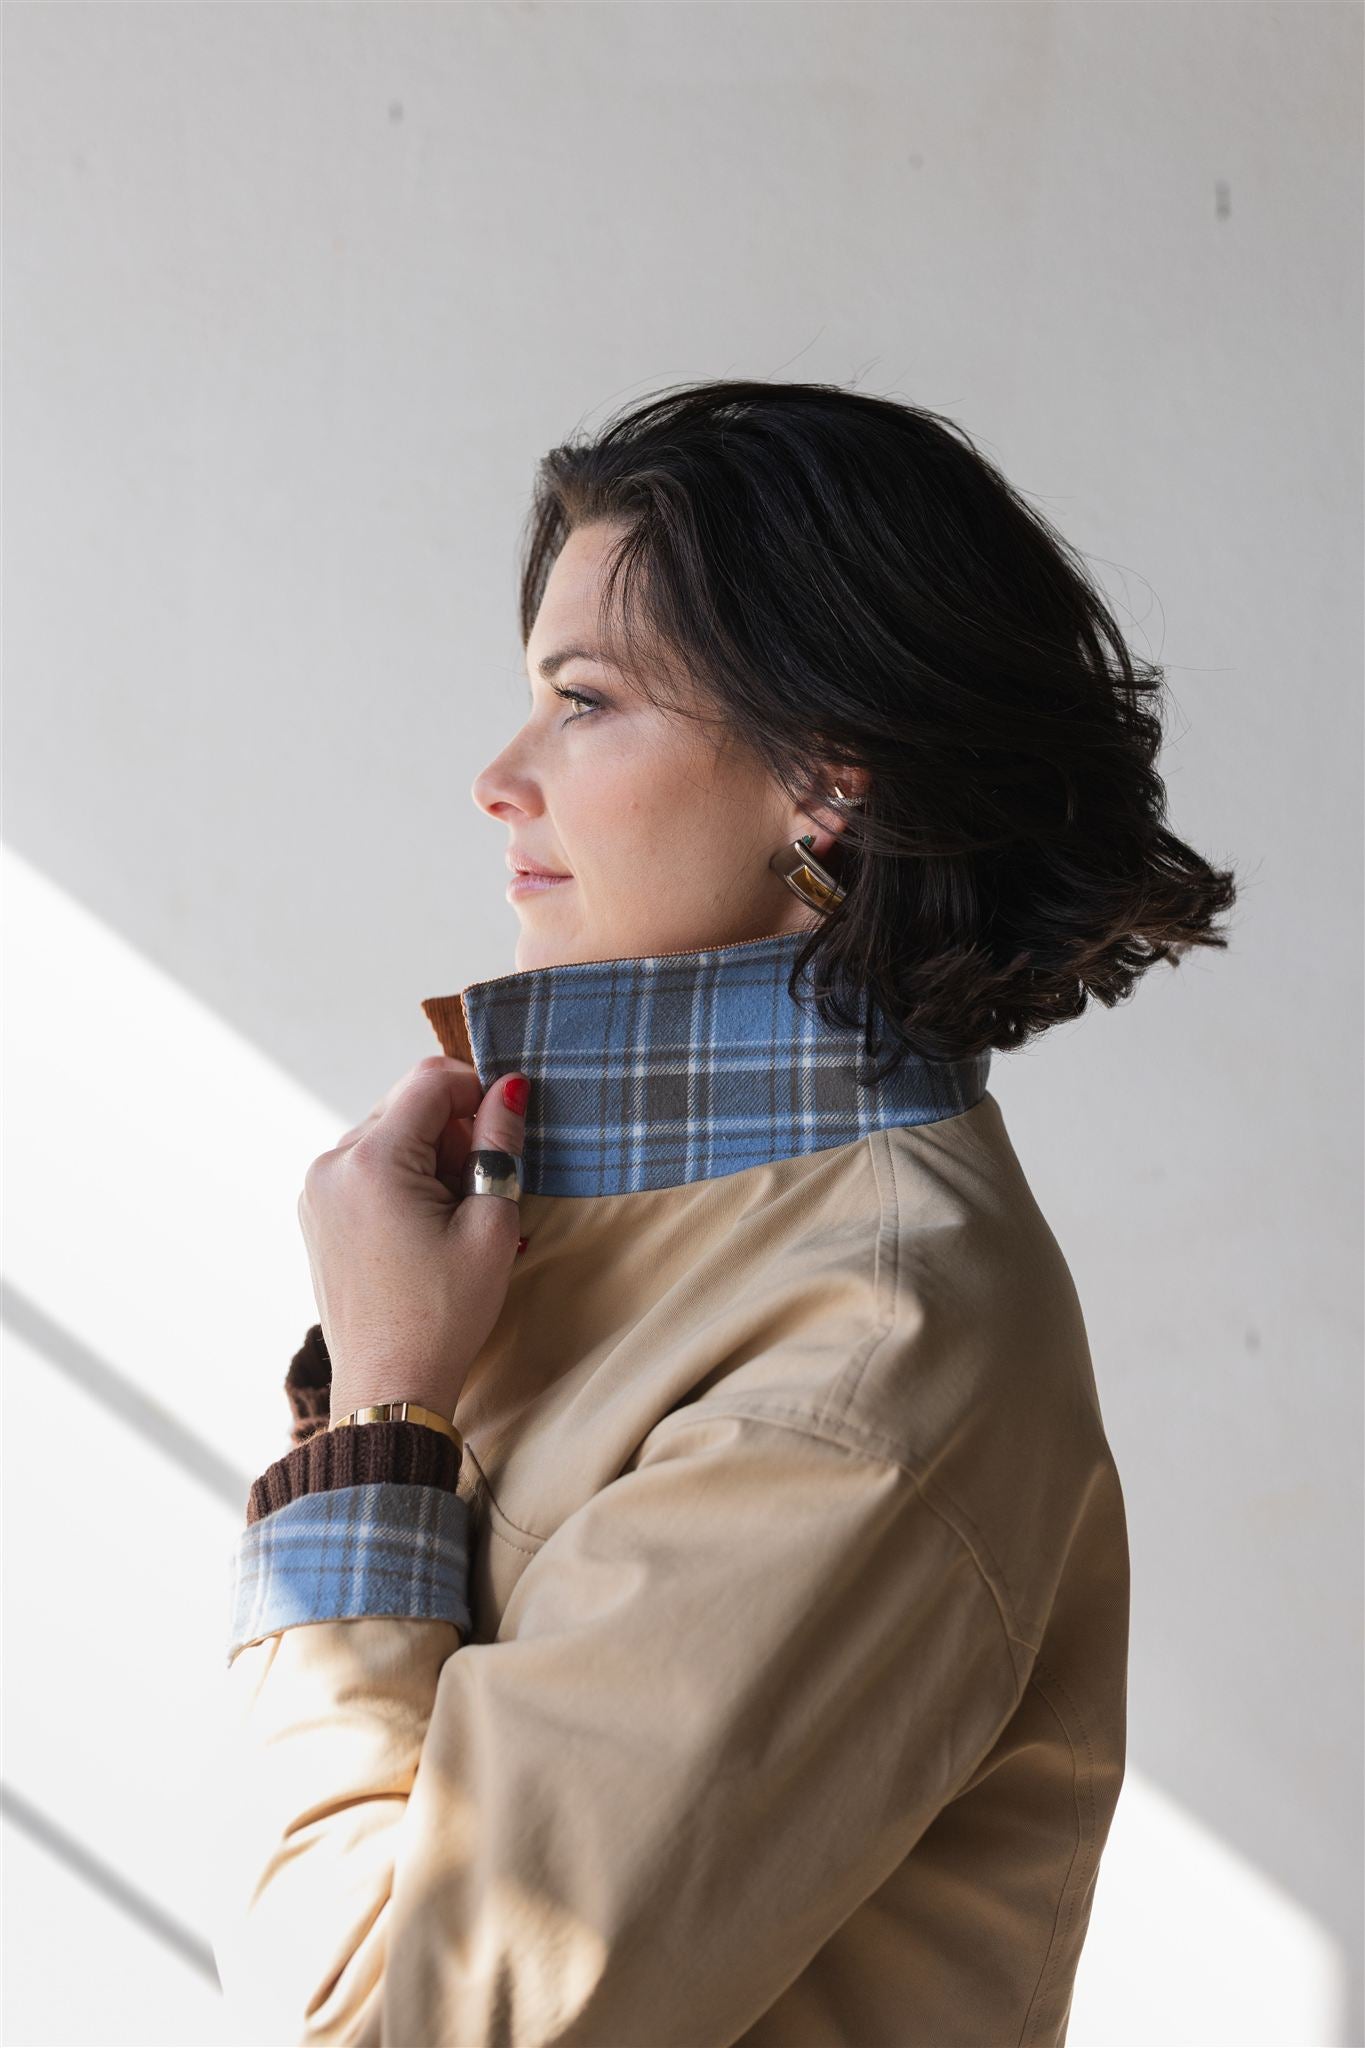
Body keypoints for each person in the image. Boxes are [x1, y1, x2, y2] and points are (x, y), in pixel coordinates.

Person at [211, 379, 1240, 2046]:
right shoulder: (671, 1225)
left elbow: (395, 2030)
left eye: (584, 704)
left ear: (823, 777)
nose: (498, 776)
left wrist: (385, 1425)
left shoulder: (859, 1362)